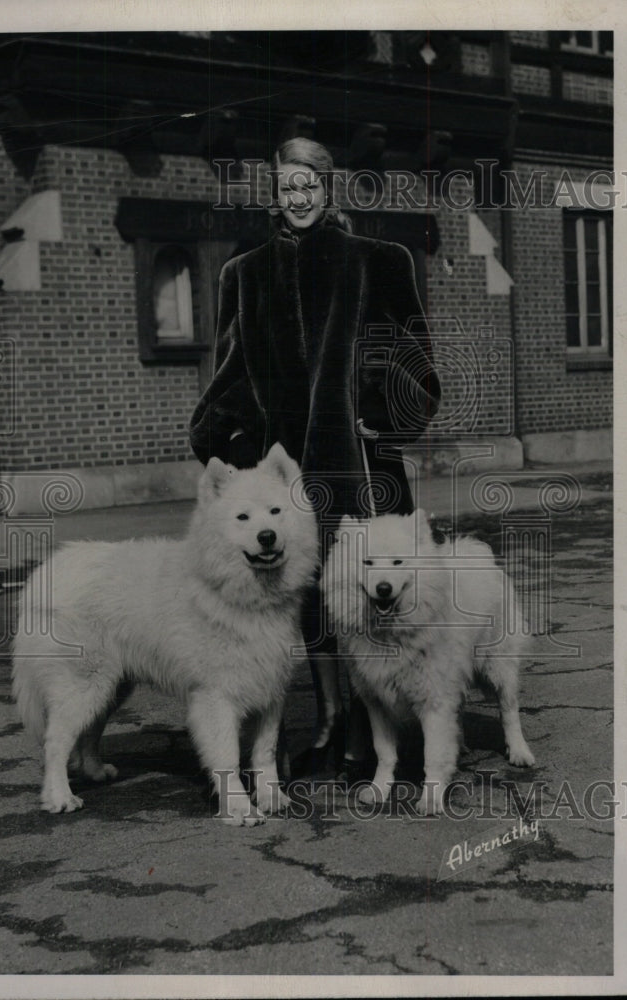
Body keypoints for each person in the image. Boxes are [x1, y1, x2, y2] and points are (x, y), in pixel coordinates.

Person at [190, 137, 441, 780]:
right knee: (306, 599)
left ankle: (376, 726)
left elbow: (415, 362)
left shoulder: (380, 260)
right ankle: (331, 719)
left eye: (309, 185)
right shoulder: (242, 274)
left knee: (371, 590)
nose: (298, 198)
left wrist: (382, 417)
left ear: (328, 189)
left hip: (358, 464)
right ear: (275, 194)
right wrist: (238, 446)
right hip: (284, 472)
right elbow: (230, 376)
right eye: (287, 187)